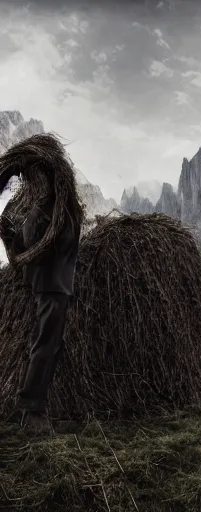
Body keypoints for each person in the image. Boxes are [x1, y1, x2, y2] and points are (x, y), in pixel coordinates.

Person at [0, 133, 85, 435]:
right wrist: (20, 255)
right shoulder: (46, 212)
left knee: (49, 344)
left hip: (53, 283)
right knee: (45, 345)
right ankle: (31, 412)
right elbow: (40, 246)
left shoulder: (51, 209)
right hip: (52, 286)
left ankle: (39, 408)